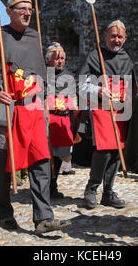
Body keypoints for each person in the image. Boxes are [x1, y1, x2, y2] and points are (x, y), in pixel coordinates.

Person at [0, 0, 71, 235]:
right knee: (2, 167)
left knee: (40, 163)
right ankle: (4, 213)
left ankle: (43, 219)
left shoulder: (35, 37)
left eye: (30, 9)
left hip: (33, 111)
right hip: (5, 111)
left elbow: (40, 76)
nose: (27, 13)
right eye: (21, 9)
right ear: (8, 11)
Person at [78, 19, 136, 210]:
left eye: (120, 37)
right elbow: (80, 86)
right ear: (105, 36)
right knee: (103, 150)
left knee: (116, 152)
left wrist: (128, 99)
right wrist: (98, 91)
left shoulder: (127, 59)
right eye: (113, 36)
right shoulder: (95, 57)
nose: (116, 40)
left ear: (125, 38)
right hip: (101, 108)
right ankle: (91, 189)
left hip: (121, 111)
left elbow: (133, 87)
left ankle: (108, 192)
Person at [45, 42, 77, 199]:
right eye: (56, 58)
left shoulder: (69, 76)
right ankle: (44, 186)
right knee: (44, 156)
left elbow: (73, 99)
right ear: (48, 59)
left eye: (62, 58)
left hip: (62, 120)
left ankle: (53, 184)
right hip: (46, 119)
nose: (60, 61)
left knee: (58, 156)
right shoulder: (43, 75)